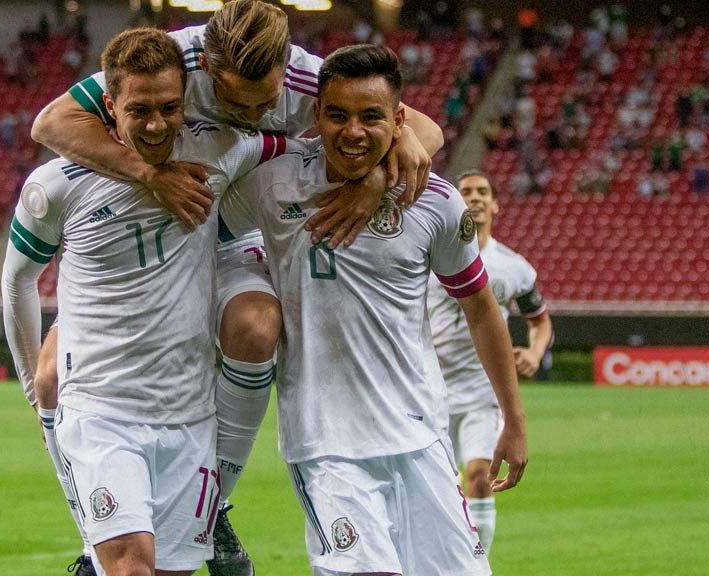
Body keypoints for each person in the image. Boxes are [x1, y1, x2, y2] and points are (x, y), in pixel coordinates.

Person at [28, 2, 446, 573]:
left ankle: (214, 503)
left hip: (230, 230)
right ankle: (91, 540)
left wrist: (375, 178)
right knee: (53, 376)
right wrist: (151, 173)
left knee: (256, 327)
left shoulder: (304, 75)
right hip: (158, 233)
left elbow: (419, 127)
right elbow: (51, 124)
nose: (251, 118)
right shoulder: (173, 60)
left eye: (264, 105)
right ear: (206, 67)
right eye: (234, 104)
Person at [2, 27, 304, 576]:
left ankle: (209, 512)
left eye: (170, 107)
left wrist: (403, 144)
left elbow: (310, 149)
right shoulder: (56, 185)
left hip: (187, 415)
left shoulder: (220, 152)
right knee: (132, 568)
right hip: (101, 409)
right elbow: (18, 281)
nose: (157, 123)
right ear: (109, 105)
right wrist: (30, 386)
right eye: (139, 109)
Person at [219, 44, 528, 575]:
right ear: (315, 116)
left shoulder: (434, 202)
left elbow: (480, 307)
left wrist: (513, 420)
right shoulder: (273, 183)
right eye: (337, 115)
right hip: (326, 446)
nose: (352, 131)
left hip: (421, 436)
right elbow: (196, 237)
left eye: (370, 116)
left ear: (400, 120)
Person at [427, 170, 553, 554]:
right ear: (456, 202)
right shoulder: (429, 254)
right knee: (434, 484)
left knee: (479, 476)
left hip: (483, 394)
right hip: (429, 389)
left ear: (495, 204)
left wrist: (533, 351)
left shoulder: (514, 267)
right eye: (466, 191)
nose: (476, 198)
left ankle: (477, 561)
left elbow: (540, 321)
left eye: (484, 192)